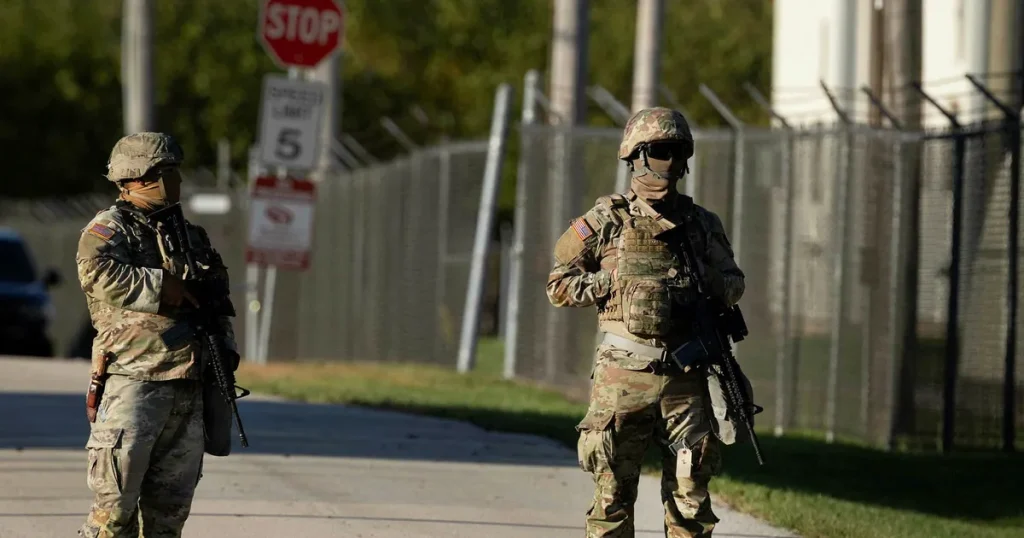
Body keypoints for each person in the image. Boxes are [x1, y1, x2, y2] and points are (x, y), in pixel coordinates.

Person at [546, 107, 747, 538]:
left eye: (677, 151)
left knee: (691, 504)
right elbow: (558, 286)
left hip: (687, 378)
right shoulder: (606, 221)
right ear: (636, 156)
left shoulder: (701, 225)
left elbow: (734, 282)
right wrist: (615, 282)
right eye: (659, 151)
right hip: (623, 378)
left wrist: (705, 283)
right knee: (612, 498)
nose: (669, 162)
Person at [76, 132, 240, 537]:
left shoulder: (190, 235)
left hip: (188, 386)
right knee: (113, 515)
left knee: (168, 517)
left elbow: (216, 299)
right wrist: (162, 286)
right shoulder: (110, 228)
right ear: (134, 176)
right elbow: (95, 271)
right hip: (135, 384)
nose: (173, 181)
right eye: (163, 172)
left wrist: (225, 351)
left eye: (174, 172)